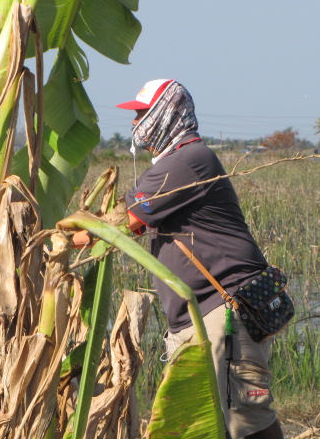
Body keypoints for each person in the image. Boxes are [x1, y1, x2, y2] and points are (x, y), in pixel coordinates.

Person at [73, 79, 284, 439]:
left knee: (243, 421)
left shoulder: (187, 161)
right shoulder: (174, 163)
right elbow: (136, 225)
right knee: (219, 421)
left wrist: (61, 239)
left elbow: (124, 223)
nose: (135, 123)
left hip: (225, 311)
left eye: (141, 114)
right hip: (204, 314)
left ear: (165, 114)